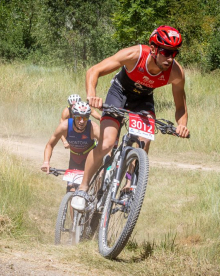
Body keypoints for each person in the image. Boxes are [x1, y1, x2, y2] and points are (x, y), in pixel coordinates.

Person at [71, 25, 190, 210]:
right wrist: (91, 94)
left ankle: (129, 186)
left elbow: (181, 107)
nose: (170, 58)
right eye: (166, 52)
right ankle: (83, 187)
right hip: (119, 94)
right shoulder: (134, 55)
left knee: (144, 142)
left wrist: (182, 125)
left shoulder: (176, 73)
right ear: (153, 49)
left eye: (174, 53)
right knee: (107, 143)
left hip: (143, 100)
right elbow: (93, 71)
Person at [41, 101, 100, 192]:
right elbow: (50, 145)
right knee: (71, 188)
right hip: (75, 159)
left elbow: (106, 146)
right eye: (78, 118)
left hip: (90, 158)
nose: (81, 121)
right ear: (73, 116)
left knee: (93, 185)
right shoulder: (64, 126)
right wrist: (46, 162)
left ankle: (99, 200)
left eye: (85, 118)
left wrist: (107, 167)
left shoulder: (93, 128)